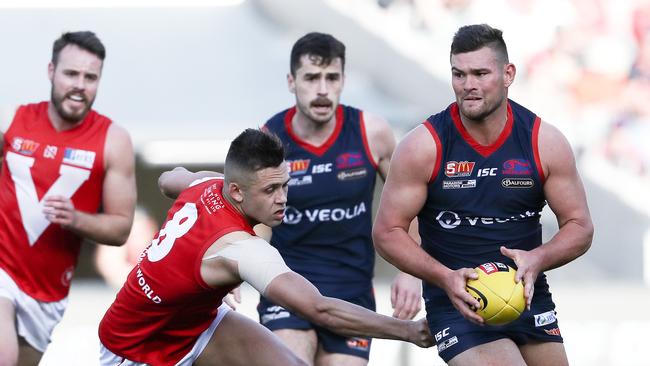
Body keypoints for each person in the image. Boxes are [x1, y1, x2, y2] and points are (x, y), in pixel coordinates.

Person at [98, 128, 433, 366]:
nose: (282, 199)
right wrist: (408, 330)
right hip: (134, 348)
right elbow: (320, 309)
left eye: (285, 185)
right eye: (270, 190)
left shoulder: (206, 185)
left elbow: (168, 179)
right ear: (238, 192)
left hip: (196, 321)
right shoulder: (240, 249)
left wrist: (197, 280)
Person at [372, 24, 594, 366]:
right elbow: (387, 232)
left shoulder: (543, 142)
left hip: (526, 297)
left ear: (508, 74)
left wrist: (538, 259)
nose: (468, 85)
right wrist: (444, 277)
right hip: (458, 301)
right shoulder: (423, 146)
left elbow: (580, 226)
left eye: (480, 73)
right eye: (459, 74)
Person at [258, 31, 422, 366]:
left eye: (331, 78)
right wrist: (237, 272)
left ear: (343, 80)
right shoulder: (269, 138)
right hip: (289, 284)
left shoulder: (371, 132)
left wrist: (411, 273)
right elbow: (255, 221)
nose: (322, 89)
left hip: (352, 291)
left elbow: (409, 206)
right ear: (292, 81)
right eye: (311, 78)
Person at [0, 31, 136, 365]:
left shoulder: (113, 140)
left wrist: (75, 218)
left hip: (46, 294)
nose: (80, 85)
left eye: (90, 77)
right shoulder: (12, 119)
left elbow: (120, 230)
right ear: (51, 71)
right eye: (71, 74)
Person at [95, 208, 159, 288]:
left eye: (141, 234)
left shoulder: (163, 253)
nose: (136, 242)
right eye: (131, 236)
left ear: (154, 231)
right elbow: (113, 272)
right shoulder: (116, 249)